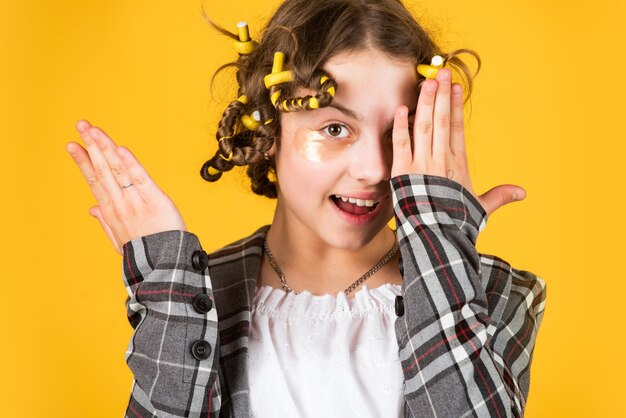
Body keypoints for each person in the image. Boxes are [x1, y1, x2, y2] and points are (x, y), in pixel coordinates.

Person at [65, 0, 547, 416]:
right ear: (269, 132)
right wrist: (167, 284)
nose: (375, 169)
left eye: (396, 135)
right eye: (335, 129)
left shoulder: (493, 293)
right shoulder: (202, 295)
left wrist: (441, 241)